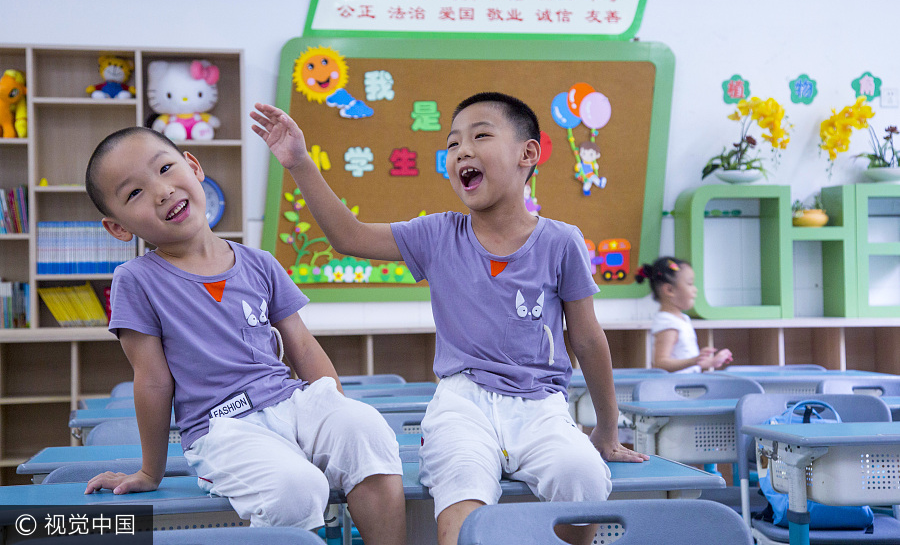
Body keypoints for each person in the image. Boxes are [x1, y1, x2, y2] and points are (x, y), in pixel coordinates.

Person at [251, 92, 648, 545]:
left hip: (541, 407)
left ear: (528, 154)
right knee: (461, 486)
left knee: (583, 477)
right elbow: (348, 236)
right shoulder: (439, 233)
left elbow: (589, 339)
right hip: (462, 406)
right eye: (452, 143)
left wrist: (607, 429)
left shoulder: (561, 241)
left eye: (480, 135)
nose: (461, 150)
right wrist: (300, 162)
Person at [81, 127, 405, 544]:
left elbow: (302, 347)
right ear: (118, 228)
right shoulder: (136, 281)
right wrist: (151, 470)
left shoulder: (259, 262)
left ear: (193, 166)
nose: (161, 191)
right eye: (134, 194)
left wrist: (332, 420)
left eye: (165, 168)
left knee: (365, 428)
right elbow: (153, 380)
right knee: (295, 487)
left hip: (290, 402)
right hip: (223, 429)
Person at [635, 257, 732, 373]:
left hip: (685, 385)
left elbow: (686, 362)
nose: (695, 289)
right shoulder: (667, 322)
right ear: (669, 290)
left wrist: (711, 362)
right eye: (690, 284)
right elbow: (660, 363)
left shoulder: (682, 319)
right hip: (676, 387)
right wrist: (693, 360)